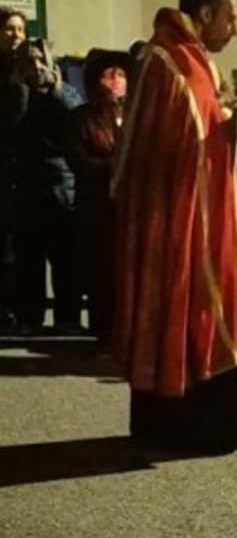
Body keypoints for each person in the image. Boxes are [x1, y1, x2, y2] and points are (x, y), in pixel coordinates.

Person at [112, 0, 237, 453]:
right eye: (230, 18)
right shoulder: (167, 62)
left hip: (201, 214)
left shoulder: (196, 63)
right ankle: (179, 424)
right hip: (175, 218)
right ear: (207, 13)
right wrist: (221, 137)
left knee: (199, 306)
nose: (236, 29)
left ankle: (198, 423)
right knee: (182, 305)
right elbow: (159, 147)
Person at [12, 38, 83, 332]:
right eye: (29, 61)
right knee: (30, 257)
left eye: (41, 59)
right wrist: (21, 91)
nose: (36, 66)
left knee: (65, 256)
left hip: (60, 183)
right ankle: (31, 317)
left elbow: (77, 117)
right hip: (27, 184)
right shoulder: (15, 95)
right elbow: (12, 125)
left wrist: (53, 89)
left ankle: (68, 319)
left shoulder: (63, 92)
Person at [67, 49, 130, 341]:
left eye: (120, 74)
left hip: (127, 208)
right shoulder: (81, 118)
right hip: (96, 207)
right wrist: (113, 169)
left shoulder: (133, 116)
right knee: (100, 270)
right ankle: (102, 328)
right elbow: (78, 160)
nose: (115, 81)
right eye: (109, 75)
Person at [0, 8, 28, 327]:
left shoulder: (32, 66)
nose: (16, 36)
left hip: (22, 170)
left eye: (21, 30)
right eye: (9, 29)